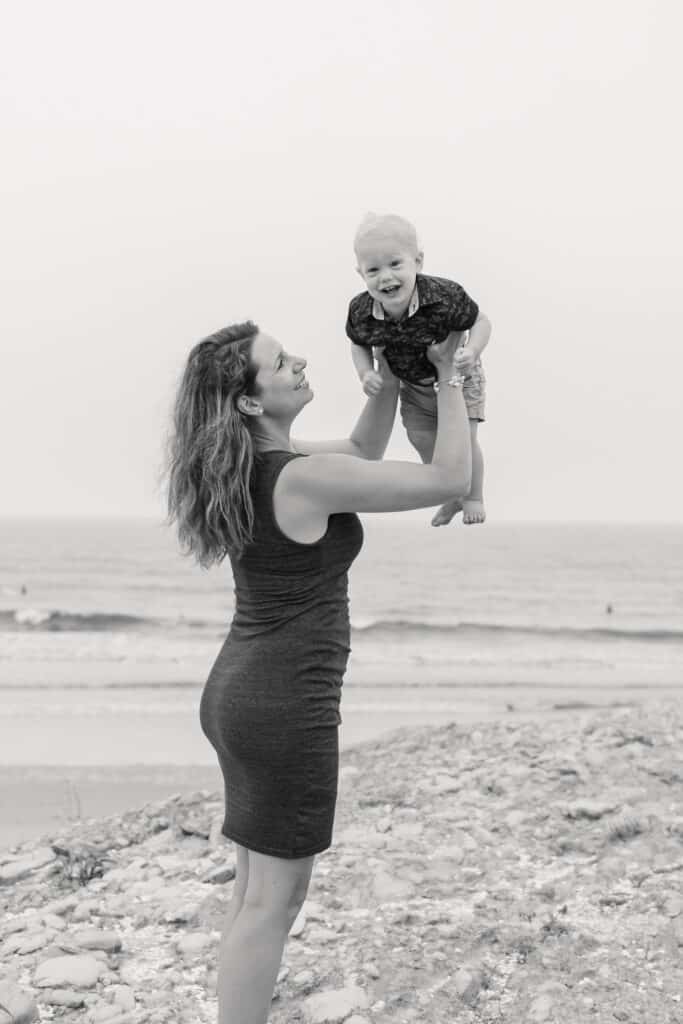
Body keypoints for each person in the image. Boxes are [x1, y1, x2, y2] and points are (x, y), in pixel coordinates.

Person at [166, 320, 471, 1024]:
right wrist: (452, 377)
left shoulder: (260, 464)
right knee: (275, 902)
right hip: (279, 705)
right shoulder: (300, 476)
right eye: (279, 362)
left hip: (240, 696)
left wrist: (392, 380)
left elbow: (364, 450)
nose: (299, 361)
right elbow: (448, 478)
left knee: (253, 894)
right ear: (249, 400)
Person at [347, 212, 492, 526]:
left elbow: (481, 321)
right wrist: (365, 372)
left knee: (464, 440)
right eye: (373, 270)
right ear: (361, 273)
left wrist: (472, 350)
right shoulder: (361, 311)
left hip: (459, 376)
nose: (385, 277)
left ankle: (472, 495)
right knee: (420, 435)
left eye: (395, 264)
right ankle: (449, 491)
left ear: (418, 261)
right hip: (412, 384)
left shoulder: (443, 297)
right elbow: (357, 342)